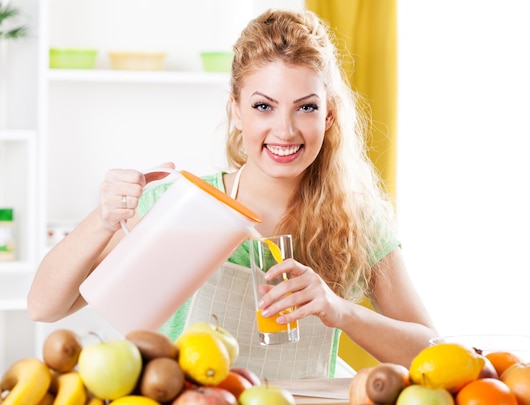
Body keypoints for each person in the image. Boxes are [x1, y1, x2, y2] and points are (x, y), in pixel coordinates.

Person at [28, 8, 437, 379]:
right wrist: (102, 220)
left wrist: (340, 310)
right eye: (264, 106)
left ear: (329, 115)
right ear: (236, 111)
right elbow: (45, 307)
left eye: (306, 107)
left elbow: (431, 352)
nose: (285, 130)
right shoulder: (181, 205)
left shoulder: (357, 221)